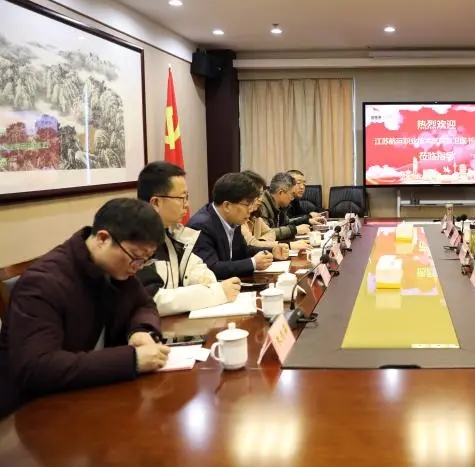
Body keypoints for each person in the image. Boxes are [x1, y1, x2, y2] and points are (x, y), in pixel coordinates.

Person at [0, 198, 171, 418]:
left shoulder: (117, 267)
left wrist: (140, 330)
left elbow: (143, 304)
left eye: (145, 260)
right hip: (35, 412)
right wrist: (133, 360)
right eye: (136, 257)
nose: (137, 268)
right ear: (102, 238)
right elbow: (38, 367)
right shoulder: (42, 283)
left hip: (91, 394)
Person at [135, 161, 243, 316]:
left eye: (187, 197)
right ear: (156, 202)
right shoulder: (137, 242)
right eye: (182, 198)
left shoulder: (172, 234)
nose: (187, 205)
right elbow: (154, 299)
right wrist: (215, 293)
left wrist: (210, 285)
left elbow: (197, 270)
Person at [187, 172, 274, 279]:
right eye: (247, 204)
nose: (251, 210)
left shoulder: (233, 219)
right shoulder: (201, 226)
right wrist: (253, 263)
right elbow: (210, 269)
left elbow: (243, 251)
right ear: (227, 205)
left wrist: (271, 251)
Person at [242, 170, 310, 250]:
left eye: (261, 194)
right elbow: (251, 244)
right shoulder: (260, 206)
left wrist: (263, 243)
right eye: (258, 195)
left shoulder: (256, 213)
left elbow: (271, 233)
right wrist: (289, 244)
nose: (260, 199)